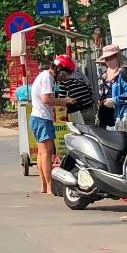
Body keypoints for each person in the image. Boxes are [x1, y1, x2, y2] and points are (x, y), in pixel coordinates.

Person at [30, 55, 76, 195]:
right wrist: (65, 101)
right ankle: (50, 186)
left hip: (38, 118)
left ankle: (44, 185)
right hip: (42, 119)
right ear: (59, 68)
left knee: (42, 152)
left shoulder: (44, 76)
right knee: (47, 152)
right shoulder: (48, 78)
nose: (65, 76)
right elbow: (46, 99)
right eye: (65, 72)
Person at [96, 44, 127, 130]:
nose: (108, 61)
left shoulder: (124, 72)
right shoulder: (104, 74)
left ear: (117, 57)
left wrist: (114, 100)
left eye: (111, 58)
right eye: (106, 59)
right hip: (105, 115)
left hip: (120, 114)